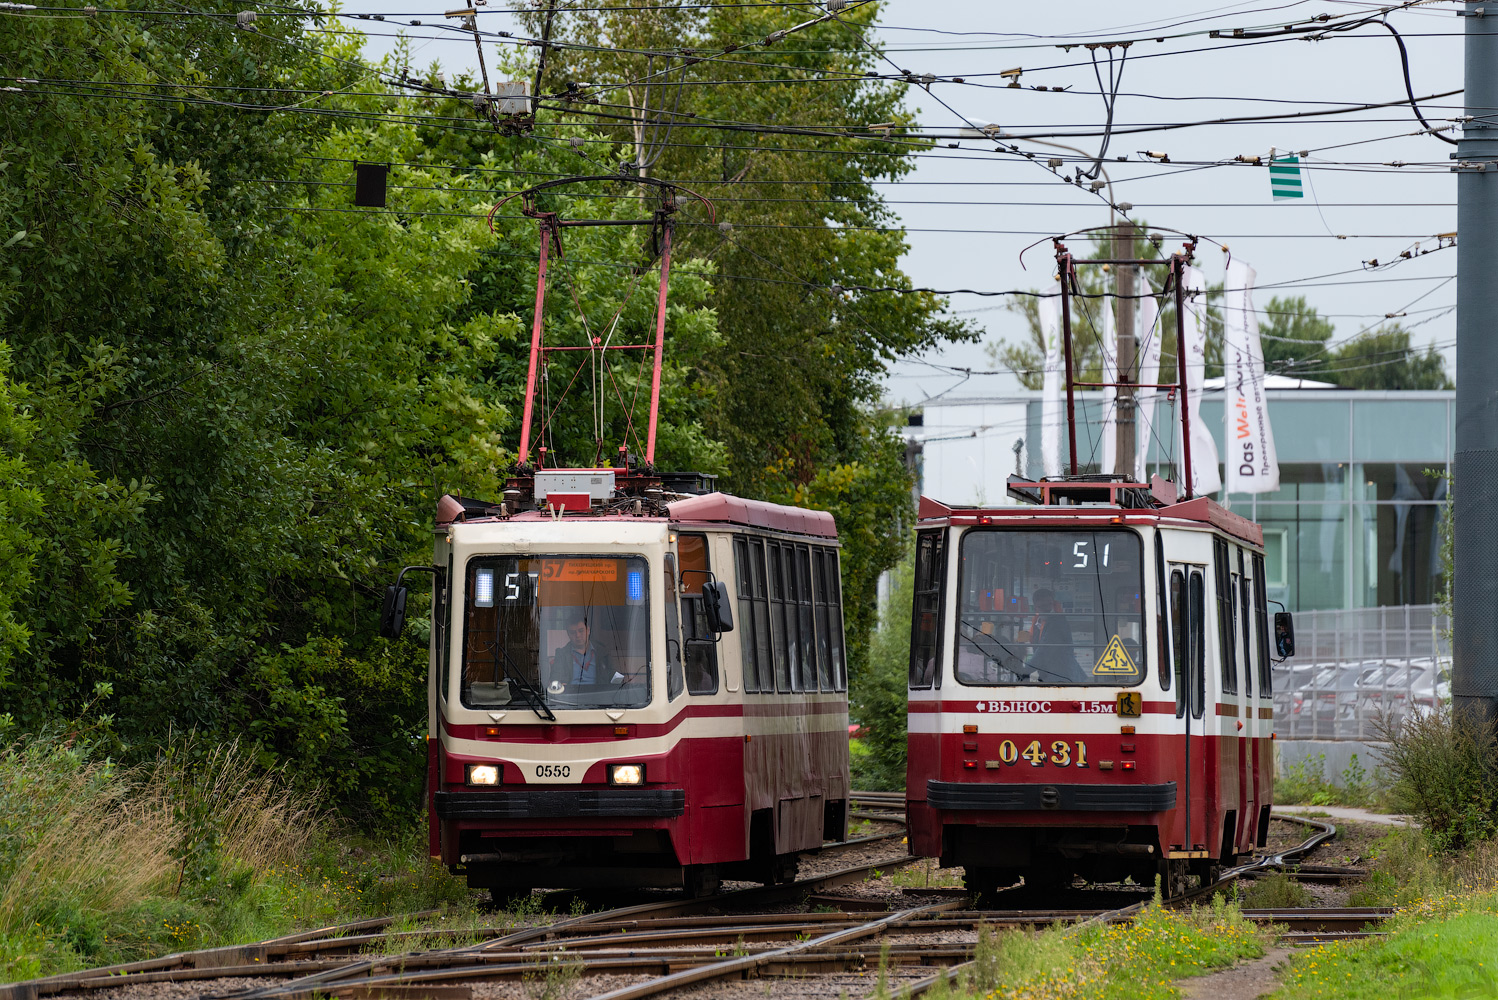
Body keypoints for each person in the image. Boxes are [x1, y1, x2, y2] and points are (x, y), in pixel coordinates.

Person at [1024, 588, 1081, 682]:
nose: (1047, 609)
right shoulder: (1037, 623)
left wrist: (1024, 670)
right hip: (1049, 675)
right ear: (1036, 607)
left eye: (1049, 604)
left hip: (1063, 677)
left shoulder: (1057, 622)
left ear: (1054, 604)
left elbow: (1044, 650)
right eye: (1043, 606)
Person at [550, 614, 614, 686]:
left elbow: (613, 678)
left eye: (581, 631)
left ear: (588, 630)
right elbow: (555, 678)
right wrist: (559, 684)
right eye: (573, 632)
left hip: (598, 694)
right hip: (571, 695)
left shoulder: (603, 652)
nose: (577, 635)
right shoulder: (561, 654)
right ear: (568, 634)